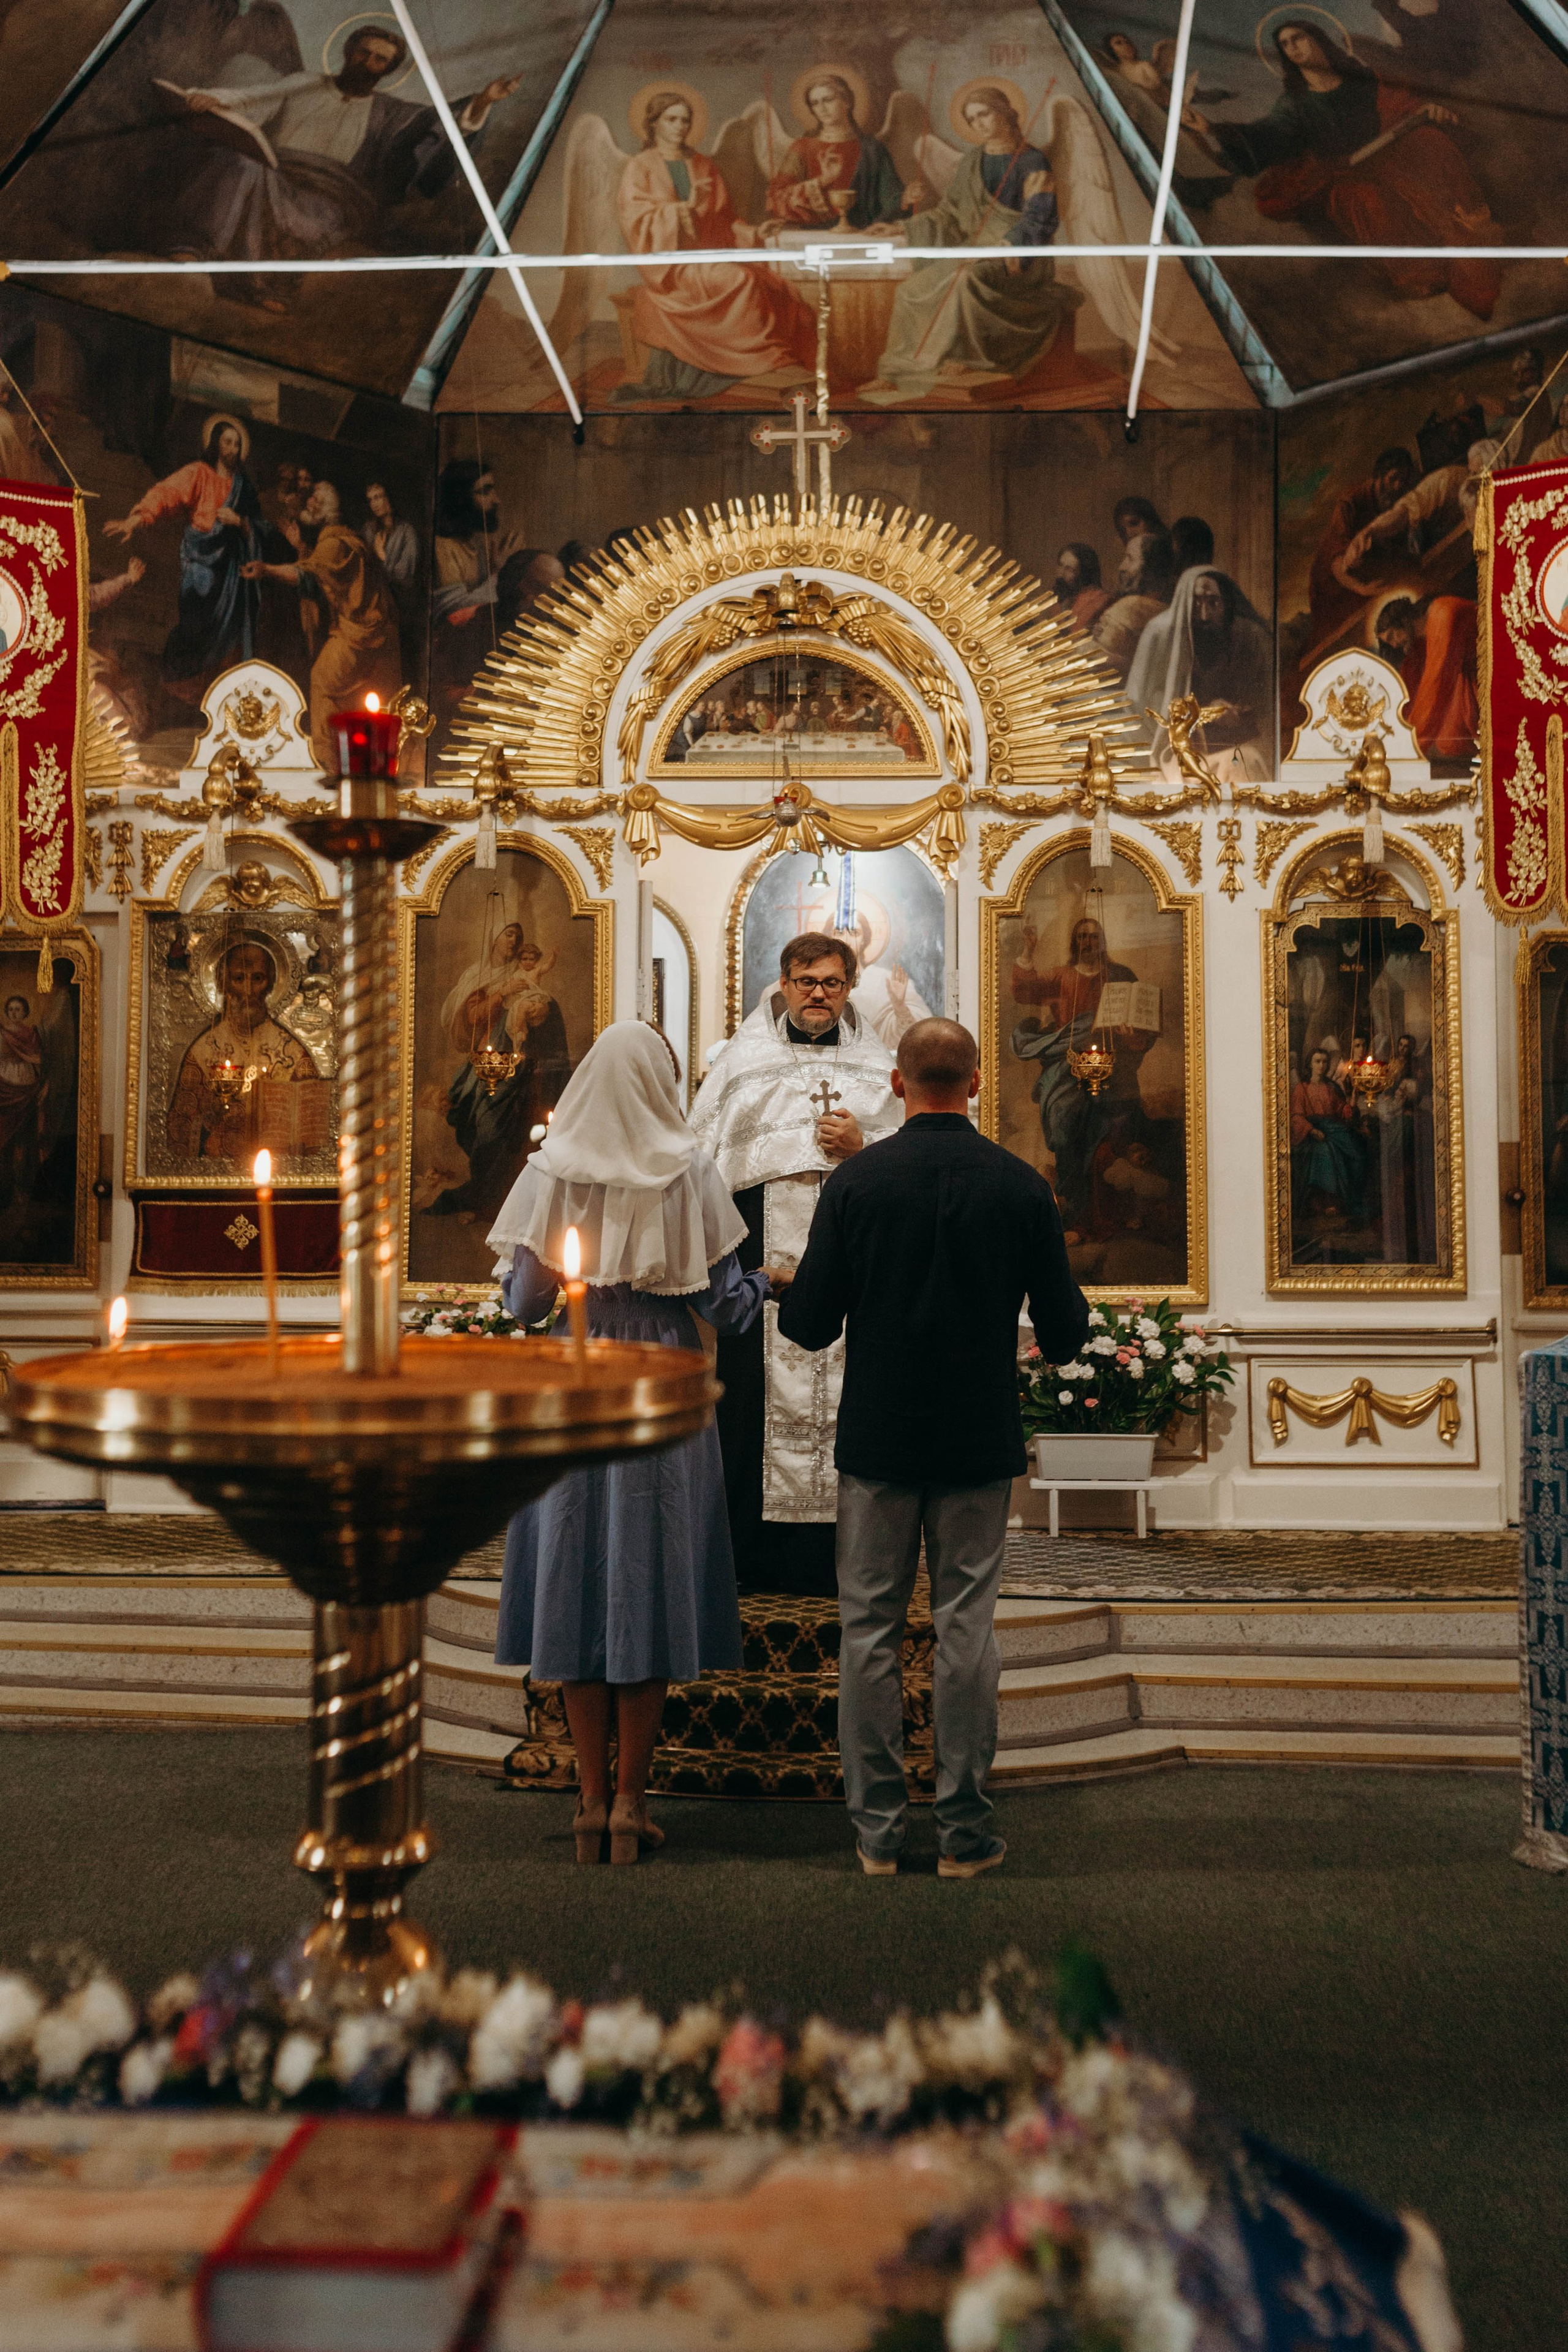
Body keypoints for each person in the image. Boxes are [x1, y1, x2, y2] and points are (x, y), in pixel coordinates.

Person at [777, 1018, 1087, 1877]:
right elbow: (1063, 1336)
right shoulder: (1022, 1187)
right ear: (980, 1082)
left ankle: (877, 1835)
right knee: (966, 1633)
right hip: (977, 1440)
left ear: (898, 1083)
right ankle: (964, 1833)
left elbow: (807, 1327)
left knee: (868, 1632)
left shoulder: (859, 1183)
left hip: (879, 1438)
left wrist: (789, 1284)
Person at [489, 1023, 778, 1864]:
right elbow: (726, 1307)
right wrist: (768, 1281)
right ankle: (629, 1805)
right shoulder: (687, 1170)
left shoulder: (552, 1170)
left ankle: (586, 1803)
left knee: (578, 1582)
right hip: (660, 1378)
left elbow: (524, 1306)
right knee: (647, 1586)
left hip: (573, 1382)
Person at [689, 931, 901, 1596]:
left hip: (856, 1278)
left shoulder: (882, 1068)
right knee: (751, 1412)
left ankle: (851, 1563)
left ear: (849, 987)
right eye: (805, 981)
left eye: (832, 983)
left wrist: (863, 1145)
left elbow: (912, 1156)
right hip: (761, 1276)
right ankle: (751, 1561)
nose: (818, 994)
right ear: (782, 984)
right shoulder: (739, 1064)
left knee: (854, 1409)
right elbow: (705, 1166)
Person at [165, 23, 521, 312]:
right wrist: (214, 98)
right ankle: (193, 251)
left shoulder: (390, 113)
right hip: (275, 171)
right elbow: (252, 97)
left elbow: (438, 126)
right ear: (348, 52)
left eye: (380, 59)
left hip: (335, 191)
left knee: (316, 217)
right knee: (238, 163)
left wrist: (482, 102)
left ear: (388, 70)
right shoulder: (304, 82)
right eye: (363, 52)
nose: (368, 62)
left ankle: (272, 285)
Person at [1186, 20, 1501, 320]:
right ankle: (1418, 273)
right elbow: (1267, 135)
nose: (1292, 47)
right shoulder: (1294, 104)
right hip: (1344, 172)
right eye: (1285, 45)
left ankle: (1473, 218)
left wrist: (1424, 110)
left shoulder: (1360, 78)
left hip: (1387, 152)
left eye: (1298, 38)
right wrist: (1214, 129)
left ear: (1317, 39)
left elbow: (1398, 103)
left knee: (1429, 141)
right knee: (1363, 200)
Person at [859, 86, 1076, 404]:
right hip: (974, 251)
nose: (979, 124)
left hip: (1019, 256)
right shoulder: (973, 160)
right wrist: (902, 228)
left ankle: (963, 359)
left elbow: (1040, 219)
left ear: (1005, 112)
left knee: (964, 280)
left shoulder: (1032, 161)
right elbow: (950, 213)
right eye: (972, 119)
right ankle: (898, 372)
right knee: (913, 289)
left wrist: (1005, 247)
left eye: (984, 114)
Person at [614, 90, 814, 402]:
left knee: (774, 284)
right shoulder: (640, 167)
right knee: (741, 280)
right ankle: (751, 359)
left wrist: (756, 232)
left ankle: (753, 359)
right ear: (654, 124)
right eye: (672, 119)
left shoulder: (703, 164)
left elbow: (725, 221)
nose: (680, 126)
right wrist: (682, 210)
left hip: (709, 254)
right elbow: (636, 221)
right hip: (672, 265)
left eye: (685, 120)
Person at [240, 482, 400, 764]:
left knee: (322, 680)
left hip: (361, 634)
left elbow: (306, 577)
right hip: (369, 631)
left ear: (326, 508)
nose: (307, 504)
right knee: (344, 693)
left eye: (314, 500)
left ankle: (328, 760)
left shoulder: (335, 544)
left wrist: (266, 569)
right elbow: (319, 575)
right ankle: (345, 757)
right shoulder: (343, 540)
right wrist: (300, 546)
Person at [105, 416, 262, 699]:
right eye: (227, 442)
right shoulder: (199, 473)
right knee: (193, 624)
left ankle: (217, 695)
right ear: (216, 444)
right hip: (200, 562)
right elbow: (167, 494)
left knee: (228, 634)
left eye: (238, 445)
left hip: (231, 570)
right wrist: (136, 519)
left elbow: (262, 527)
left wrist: (240, 521)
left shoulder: (244, 488)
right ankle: (178, 689)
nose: (233, 449)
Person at [1127, 567, 1273, 780]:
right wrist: (1204, 714)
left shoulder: (1251, 637)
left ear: (1227, 604)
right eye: (1196, 604)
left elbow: (1264, 707)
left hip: (1238, 744)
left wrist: (1237, 714)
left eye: (1213, 603)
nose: (1204, 616)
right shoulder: (1159, 634)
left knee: (1245, 764)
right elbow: (1143, 705)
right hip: (1175, 749)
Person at [764, 72, 904, 230]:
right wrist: (824, 180)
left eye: (828, 100)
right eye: (815, 103)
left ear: (847, 102)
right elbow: (777, 200)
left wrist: (904, 201)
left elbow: (893, 199)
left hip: (863, 235)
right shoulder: (802, 148)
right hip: (813, 236)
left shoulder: (872, 149)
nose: (822, 109)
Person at [1374, 593, 1477, 765]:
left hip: (1496, 667)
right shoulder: (1418, 641)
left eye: (1392, 636)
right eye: (1388, 641)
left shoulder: (1443, 613)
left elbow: (1436, 682)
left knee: (1452, 740)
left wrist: (1408, 743)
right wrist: (1397, 727)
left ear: (1403, 621)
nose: (1393, 645)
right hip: (1469, 677)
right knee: (1449, 741)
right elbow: (1410, 686)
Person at [1053, 542, 1112, 632]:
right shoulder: (1060, 597)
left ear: (1083, 574)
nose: (1061, 574)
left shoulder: (1098, 601)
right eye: (1060, 565)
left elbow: (1075, 637)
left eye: (1069, 569)